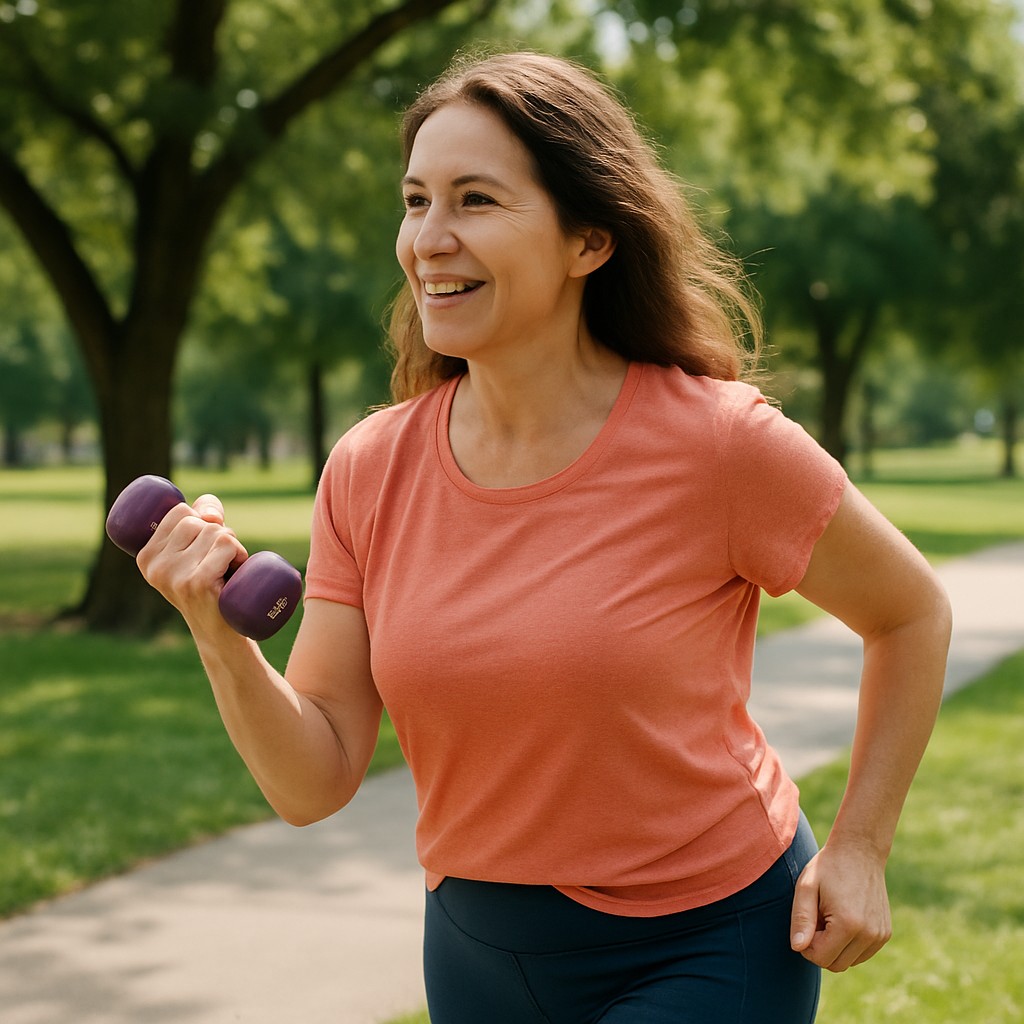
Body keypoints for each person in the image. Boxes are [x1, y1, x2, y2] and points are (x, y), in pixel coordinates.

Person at [137, 51, 952, 1024]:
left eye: (475, 200)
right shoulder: (369, 467)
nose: (429, 239)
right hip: (477, 953)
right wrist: (217, 637)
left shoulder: (720, 445)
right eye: (415, 201)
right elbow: (314, 778)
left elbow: (910, 613)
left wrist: (859, 844)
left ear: (589, 240)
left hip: (706, 940)